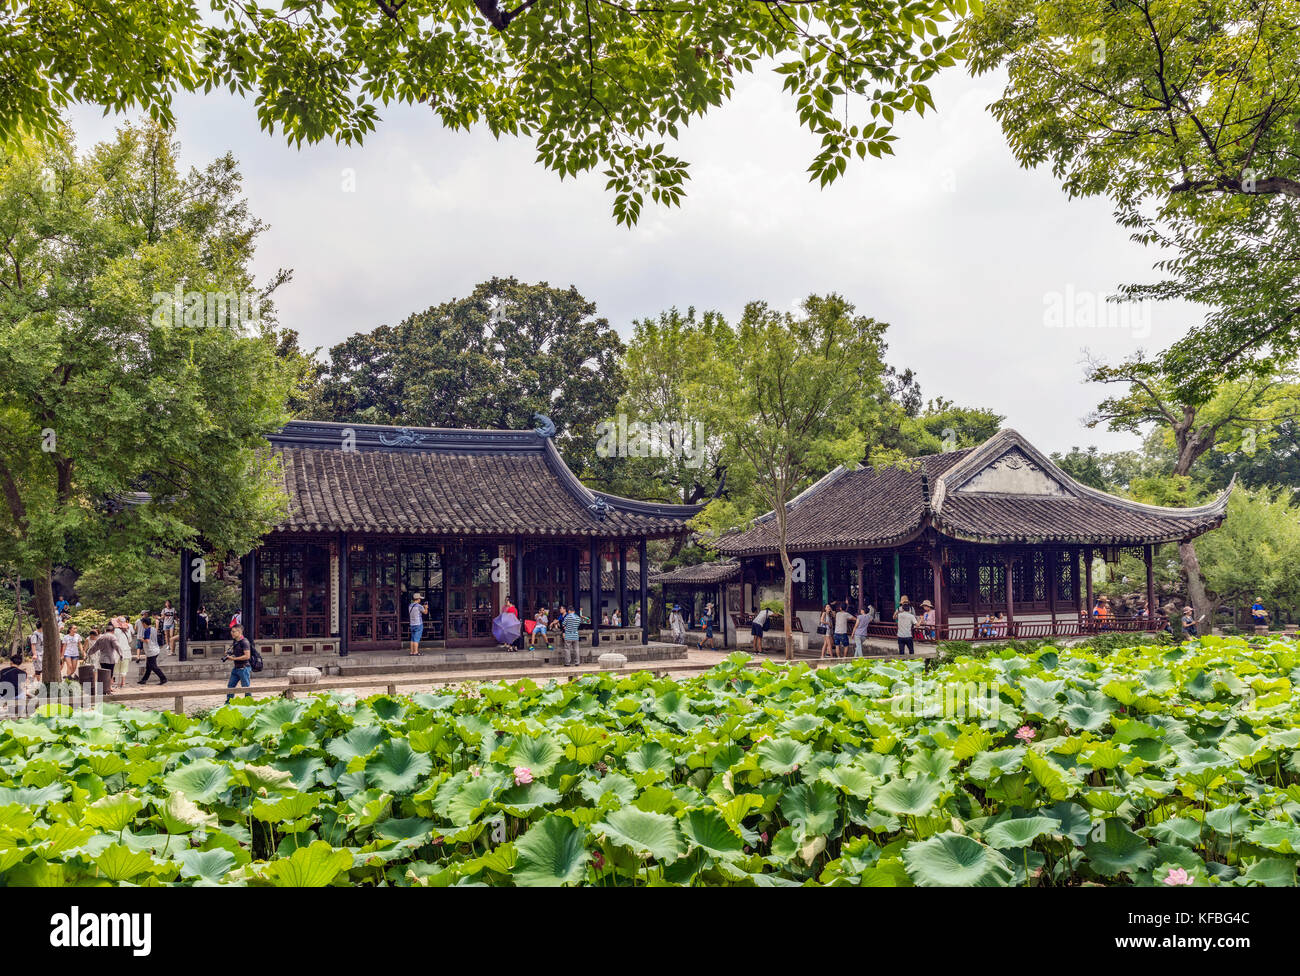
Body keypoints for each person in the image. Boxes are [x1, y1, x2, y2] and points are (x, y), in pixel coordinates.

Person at [222, 623, 253, 701]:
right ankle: (228, 703)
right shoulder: (235, 641)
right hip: (236, 668)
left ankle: (249, 703)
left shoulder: (244, 642)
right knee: (230, 686)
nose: (231, 633)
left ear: (239, 632)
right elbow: (238, 652)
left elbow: (247, 656)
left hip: (244, 668)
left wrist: (233, 659)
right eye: (231, 631)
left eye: (233, 631)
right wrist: (229, 653)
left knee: (246, 688)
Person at [87, 628, 119, 696]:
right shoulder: (112, 637)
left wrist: (88, 653)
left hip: (102, 659)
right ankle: (107, 689)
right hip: (110, 659)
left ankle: (103, 690)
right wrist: (121, 654)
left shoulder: (101, 638)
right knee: (109, 674)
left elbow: (94, 647)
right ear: (112, 631)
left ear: (105, 631)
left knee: (103, 674)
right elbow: (117, 646)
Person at [137, 616, 167, 685]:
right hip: (155, 649)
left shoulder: (147, 630)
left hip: (151, 651)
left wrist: (141, 639)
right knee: (149, 666)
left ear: (144, 623)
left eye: (142, 623)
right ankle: (144, 680)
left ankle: (163, 678)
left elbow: (147, 640)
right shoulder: (153, 628)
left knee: (153, 666)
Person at [111, 617, 132, 689]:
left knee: (115, 667)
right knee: (124, 667)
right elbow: (130, 640)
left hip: (117, 651)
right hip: (126, 651)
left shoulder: (115, 630)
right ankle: (123, 683)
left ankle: (113, 682)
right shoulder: (128, 630)